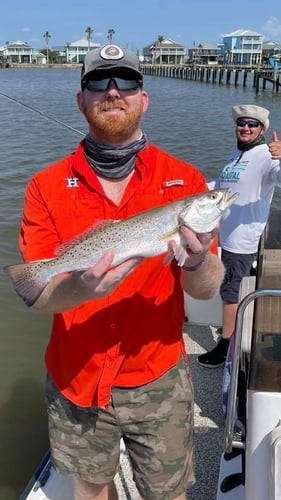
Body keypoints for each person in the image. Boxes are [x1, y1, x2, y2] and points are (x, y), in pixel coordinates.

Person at [18, 44, 224, 500]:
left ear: (143, 98)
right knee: (91, 487)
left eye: (126, 82)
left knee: (168, 492)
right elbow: (39, 295)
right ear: (81, 99)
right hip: (76, 375)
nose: (113, 92)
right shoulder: (45, 186)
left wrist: (195, 259)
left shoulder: (186, 181)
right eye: (98, 82)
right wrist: (80, 286)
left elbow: (209, 284)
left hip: (158, 374)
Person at [198, 104, 281, 369]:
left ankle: (226, 346)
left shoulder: (267, 156)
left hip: (243, 240)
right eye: (242, 123)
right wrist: (192, 185)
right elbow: (222, 187)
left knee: (230, 292)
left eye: (252, 124)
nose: (245, 127)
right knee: (226, 288)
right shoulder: (236, 154)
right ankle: (229, 339)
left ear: (262, 130)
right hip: (225, 234)